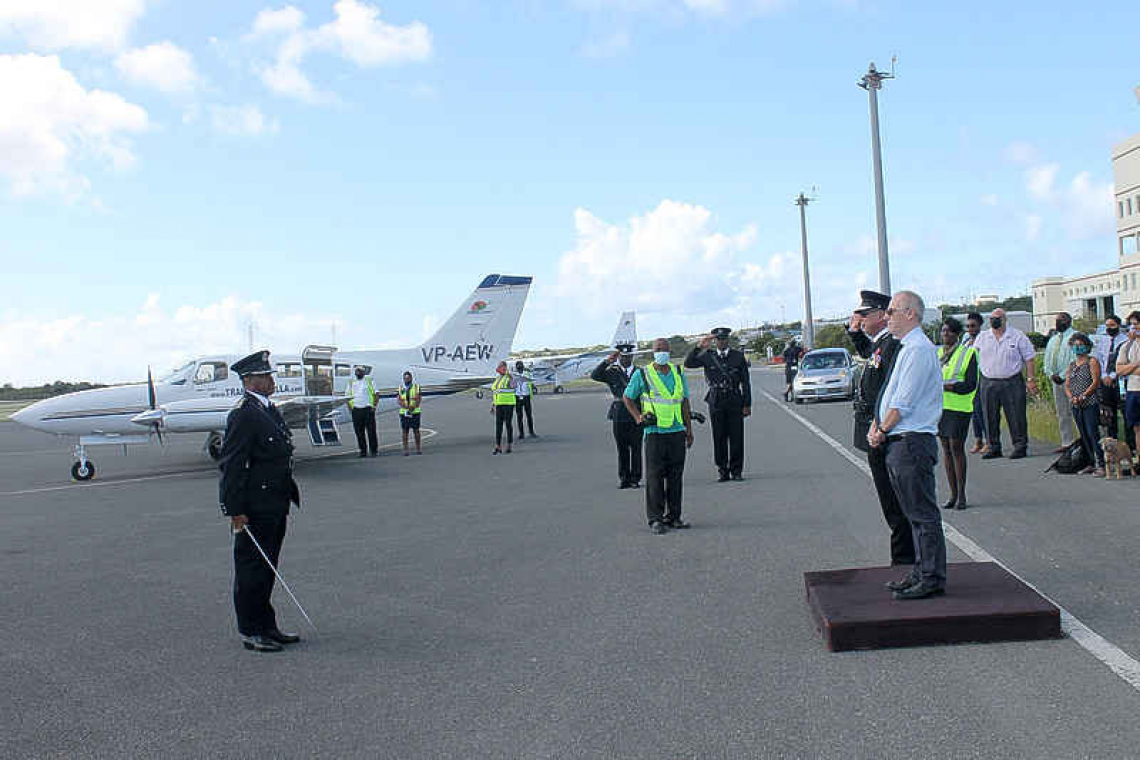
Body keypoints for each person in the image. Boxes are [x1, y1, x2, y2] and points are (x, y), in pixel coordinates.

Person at [218, 350, 302, 652]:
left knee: (268, 568)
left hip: (275, 502)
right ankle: (252, 631)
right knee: (252, 569)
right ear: (250, 381)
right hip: (253, 507)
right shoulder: (244, 413)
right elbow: (232, 463)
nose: (271, 380)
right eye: (265, 376)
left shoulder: (268, 409)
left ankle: (268, 626)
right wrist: (234, 509)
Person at [867, 291, 947, 600]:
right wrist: (878, 424)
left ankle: (931, 577)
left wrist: (881, 429)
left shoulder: (919, 350)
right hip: (899, 440)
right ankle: (920, 568)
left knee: (923, 513)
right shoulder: (906, 348)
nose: (887, 316)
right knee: (911, 513)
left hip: (911, 440)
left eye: (892, 311)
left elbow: (904, 401)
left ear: (910, 313)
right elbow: (891, 393)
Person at [847, 289, 915, 567]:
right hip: (875, 426)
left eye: (864, 314)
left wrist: (882, 427)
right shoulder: (880, 343)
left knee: (897, 503)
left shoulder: (892, 344)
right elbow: (868, 352)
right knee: (891, 503)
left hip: (886, 430)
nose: (859, 319)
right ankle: (904, 560)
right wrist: (853, 333)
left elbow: (892, 391)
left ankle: (905, 561)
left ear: (880, 315)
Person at [623, 338, 694, 534]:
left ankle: (674, 517)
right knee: (654, 477)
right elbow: (627, 397)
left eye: (664, 349)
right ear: (653, 352)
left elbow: (684, 403)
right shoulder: (643, 374)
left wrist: (689, 430)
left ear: (669, 352)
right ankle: (655, 519)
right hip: (655, 433)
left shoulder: (678, 373)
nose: (661, 352)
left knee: (675, 477)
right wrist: (638, 417)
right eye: (658, 349)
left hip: (676, 432)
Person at [684, 327, 752, 481]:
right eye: (718, 339)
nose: (721, 342)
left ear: (728, 340)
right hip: (716, 399)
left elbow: (746, 382)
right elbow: (688, 363)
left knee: (736, 436)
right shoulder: (708, 356)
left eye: (724, 339)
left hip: (734, 398)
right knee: (719, 436)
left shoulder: (738, 356)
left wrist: (747, 404)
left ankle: (736, 470)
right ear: (714, 341)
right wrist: (699, 346)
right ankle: (722, 469)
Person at [974, 307, 1038, 459]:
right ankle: (993, 447)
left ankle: (1020, 446)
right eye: (992, 318)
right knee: (989, 415)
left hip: (1012, 381)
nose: (994, 321)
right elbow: (974, 356)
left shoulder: (1017, 336)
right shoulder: (982, 337)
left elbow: (1029, 358)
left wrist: (1031, 379)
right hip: (988, 381)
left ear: (1004, 319)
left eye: (998, 318)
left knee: (1016, 415)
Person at [937, 317, 978, 510]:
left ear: (957, 334)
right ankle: (952, 494)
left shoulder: (968, 353)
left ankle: (962, 494)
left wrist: (950, 386)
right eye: (943, 331)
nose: (945, 334)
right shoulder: (937, 353)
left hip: (960, 406)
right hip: (940, 407)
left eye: (949, 331)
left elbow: (970, 384)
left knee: (956, 447)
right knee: (945, 448)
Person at [590, 343, 643, 488]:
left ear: (632, 356)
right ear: (619, 357)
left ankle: (635, 479)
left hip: (636, 412)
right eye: (623, 357)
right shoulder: (612, 372)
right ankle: (624, 478)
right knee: (622, 448)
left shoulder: (640, 372)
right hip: (619, 412)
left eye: (628, 357)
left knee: (636, 448)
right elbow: (594, 375)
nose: (625, 359)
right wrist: (607, 361)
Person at [1064, 332, 1105, 477]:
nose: (1077, 348)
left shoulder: (1092, 361)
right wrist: (1071, 397)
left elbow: (1095, 381)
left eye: (1080, 345)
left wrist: (1083, 396)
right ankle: (1090, 462)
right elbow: (1067, 384)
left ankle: (1101, 463)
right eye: (1075, 345)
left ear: (1087, 346)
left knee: (1092, 432)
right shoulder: (1071, 365)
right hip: (1075, 404)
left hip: (1089, 402)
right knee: (1083, 434)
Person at [1096, 314, 1133, 454]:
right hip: (1105, 381)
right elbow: (1100, 359)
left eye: (1112, 325)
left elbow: (1123, 361)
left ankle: (1129, 447)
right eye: (1107, 326)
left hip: (1121, 381)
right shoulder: (1103, 340)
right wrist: (1104, 376)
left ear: (1118, 325)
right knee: (1109, 416)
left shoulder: (1125, 340)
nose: (1109, 328)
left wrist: (1112, 375)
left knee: (1125, 414)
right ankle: (1111, 446)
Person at [1042, 312, 1076, 454]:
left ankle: (1082, 443)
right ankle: (1067, 442)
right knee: (1062, 412)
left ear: (1068, 321)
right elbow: (1047, 359)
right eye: (1057, 320)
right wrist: (1050, 374)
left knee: (1075, 412)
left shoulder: (1075, 337)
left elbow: (1075, 359)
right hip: (1056, 381)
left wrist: (1063, 375)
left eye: (1061, 320)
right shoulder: (1054, 339)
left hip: (1072, 379)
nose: (1058, 323)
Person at [1111, 312, 1140, 457]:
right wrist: (1136, 364)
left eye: (1137, 324)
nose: (1134, 328)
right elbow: (1119, 370)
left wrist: (1130, 368)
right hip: (1133, 390)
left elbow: (1126, 369)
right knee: (1136, 428)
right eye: (1132, 324)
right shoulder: (1126, 346)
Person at [963, 312, 988, 454]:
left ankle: (988, 440)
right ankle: (978, 440)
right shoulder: (965, 339)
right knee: (973, 412)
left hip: (981, 378)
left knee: (980, 410)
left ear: (979, 326)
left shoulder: (984, 339)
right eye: (967, 326)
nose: (970, 329)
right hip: (969, 379)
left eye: (973, 326)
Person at [345, 366, 378, 458]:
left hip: (368, 409)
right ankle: (363, 451)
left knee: (371, 431)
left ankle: (374, 450)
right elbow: (347, 397)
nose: (358, 373)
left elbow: (376, 394)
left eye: (360, 371)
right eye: (357, 371)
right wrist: (351, 409)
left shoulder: (369, 380)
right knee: (359, 432)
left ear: (363, 372)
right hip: (356, 410)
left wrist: (374, 406)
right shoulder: (351, 382)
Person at [490, 360, 517, 455]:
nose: (499, 368)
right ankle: (498, 446)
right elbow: (496, 392)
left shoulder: (509, 377)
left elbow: (514, 386)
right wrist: (493, 405)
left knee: (508, 424)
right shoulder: (498, 378)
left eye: (501, 367)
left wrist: (512, 378)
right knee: (498, 425)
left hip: (508, 403)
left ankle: (509, 445)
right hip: (499, 404)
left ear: (504, 368)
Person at [398, 370, 422, 456]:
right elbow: (399, 400)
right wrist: (406, 407)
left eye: (408, 378)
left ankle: (418, 448)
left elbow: (419, 399)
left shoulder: (416, 387)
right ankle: (406, 449)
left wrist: (413, 407)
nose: (406, 380)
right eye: (405, 378)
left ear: (411, 378)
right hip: (404, 412)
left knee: (416, 431)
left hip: (415, 411)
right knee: (405, 431)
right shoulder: (401, 388)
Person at [513, 360, 537, 440]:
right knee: (519, 416)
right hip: (517, 397)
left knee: (529, 415)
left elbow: (532, 382)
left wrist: (533, 387)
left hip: (526, 397)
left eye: (521, 366)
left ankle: (531, 432)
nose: (520, 368)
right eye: (518, 367)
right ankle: (521, 433)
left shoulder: (527, 374)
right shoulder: (513, 376)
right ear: (516, 368)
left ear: (523, 367)